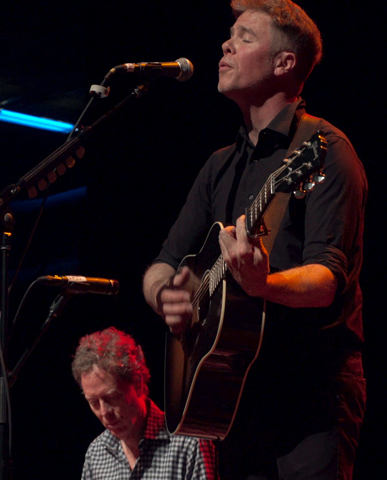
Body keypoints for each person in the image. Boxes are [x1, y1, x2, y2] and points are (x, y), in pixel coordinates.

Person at [142, 1, 367, 478]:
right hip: (231, 393)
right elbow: (161, 264)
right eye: (230, 34)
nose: (226, 44)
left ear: (284, 63)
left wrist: (264, 284)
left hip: (309, 399)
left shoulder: (324, 151)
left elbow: (327, 278)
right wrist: (168, 296)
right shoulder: (219, 165)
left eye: (245, 37)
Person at [72, 327, 217, 479]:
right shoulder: (96, 454)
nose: (104, 412)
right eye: (94, 402)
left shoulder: (189, 445)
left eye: (112, 397)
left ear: (138, 384)